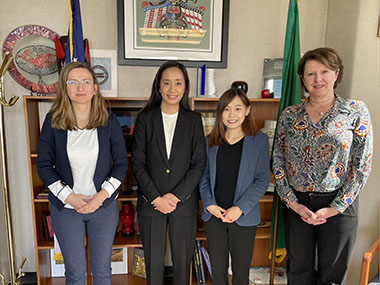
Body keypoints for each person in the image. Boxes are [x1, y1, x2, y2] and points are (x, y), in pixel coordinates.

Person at [272, 47, 373, 285]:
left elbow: (362, 166)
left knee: (333, 276)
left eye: (324, 71)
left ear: (336, 74)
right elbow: (278, 160)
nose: (318, 79)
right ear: (303, 80)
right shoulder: (290, 114)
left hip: (339, 205)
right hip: (298, 205)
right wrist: (292, 203)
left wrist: (335, 208)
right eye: (310, 74)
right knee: (298, 272)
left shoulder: (355, 111)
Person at [37, 62, 128, 285]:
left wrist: (100, 197)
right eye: (73, 82)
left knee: (103, 272)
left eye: (86, 82)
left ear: (95, 88)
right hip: (67, 209)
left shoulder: (109, 121)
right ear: (65, 87)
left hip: (103, 207)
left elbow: (121, 165)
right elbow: (44, 166)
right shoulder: (53, 122)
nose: (80, 88)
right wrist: (69, 197)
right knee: (75, 273)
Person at [131, 60, 206, 285]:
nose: (172, 89)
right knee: (153, 267)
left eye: (178, 83)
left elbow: (198, 164)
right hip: (150, 203)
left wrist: (174, 197)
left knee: (183, 266)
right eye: (167, 83)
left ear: (185, 87)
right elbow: (138, 164)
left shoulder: (194, 121)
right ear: (159, 87)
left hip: (183, 204)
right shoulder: (145, 119)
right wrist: (156, 198)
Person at [199, 88, 270, 285]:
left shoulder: (259, 141)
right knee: (218, 274)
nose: (232, 115)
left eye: (238, 108)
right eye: (227, 109)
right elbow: (203, 178)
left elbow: (262, 180)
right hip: (214, 216)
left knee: (240, 275)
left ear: (247, 110)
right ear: (220, 112)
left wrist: (239, 209)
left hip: (243, 217)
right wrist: (209, 204)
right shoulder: (210, 141)